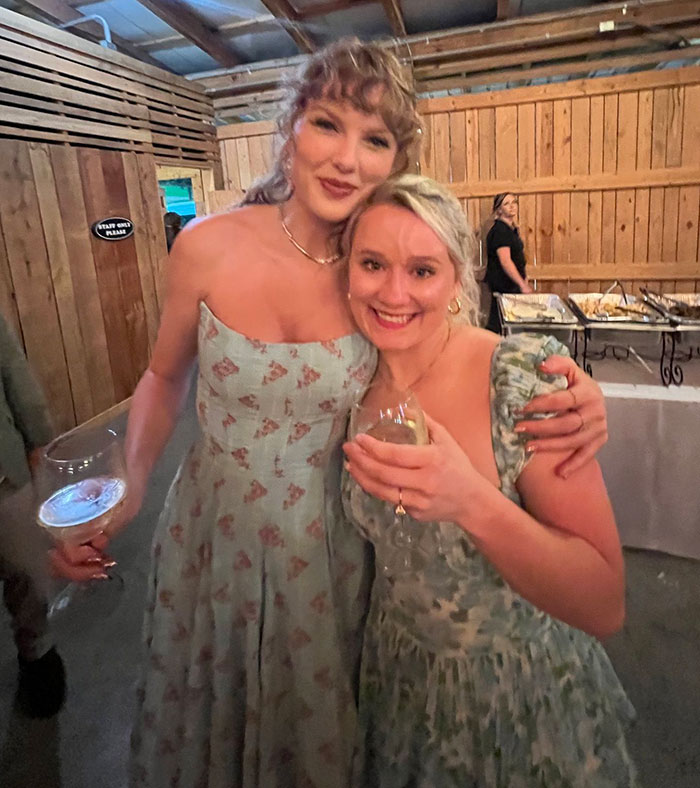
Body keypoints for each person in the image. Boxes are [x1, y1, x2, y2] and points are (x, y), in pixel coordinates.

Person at [52, 40, 609, 788]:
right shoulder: (206, 247)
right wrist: (132, 481)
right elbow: (163, 374)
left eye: (374, 139)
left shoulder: (377, 272)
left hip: (331, 550)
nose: (346, 159)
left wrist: (571, 386)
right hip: (212, 534)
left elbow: (454, 342)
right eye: (327, 124)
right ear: (290, 130)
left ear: (396, 162)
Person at [341, 174, 637, 787]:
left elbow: (603, 603)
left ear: (457, 278)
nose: (393, 292)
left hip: (516, 696)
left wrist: (471, 502)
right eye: (372, 264)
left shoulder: (519, 380)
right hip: (398, 680)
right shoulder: (346, 376)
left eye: (422, 270)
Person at [0, 313, 65, 718]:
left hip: (4, 474)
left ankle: (37, 652)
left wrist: (41, 441)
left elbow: (14, 371)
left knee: (27, 569)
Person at [484, 192, 531, 333]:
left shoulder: (510, 230)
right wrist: (522, 284)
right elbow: (505, 261)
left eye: (514, 202)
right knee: (500, 324)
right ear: (499, 210)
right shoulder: (500, 231)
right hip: (504, 286)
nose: (512, 206)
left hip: (511, 285)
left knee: (504, 324)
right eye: (506, 204)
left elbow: (517, 258)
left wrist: (524, 277)